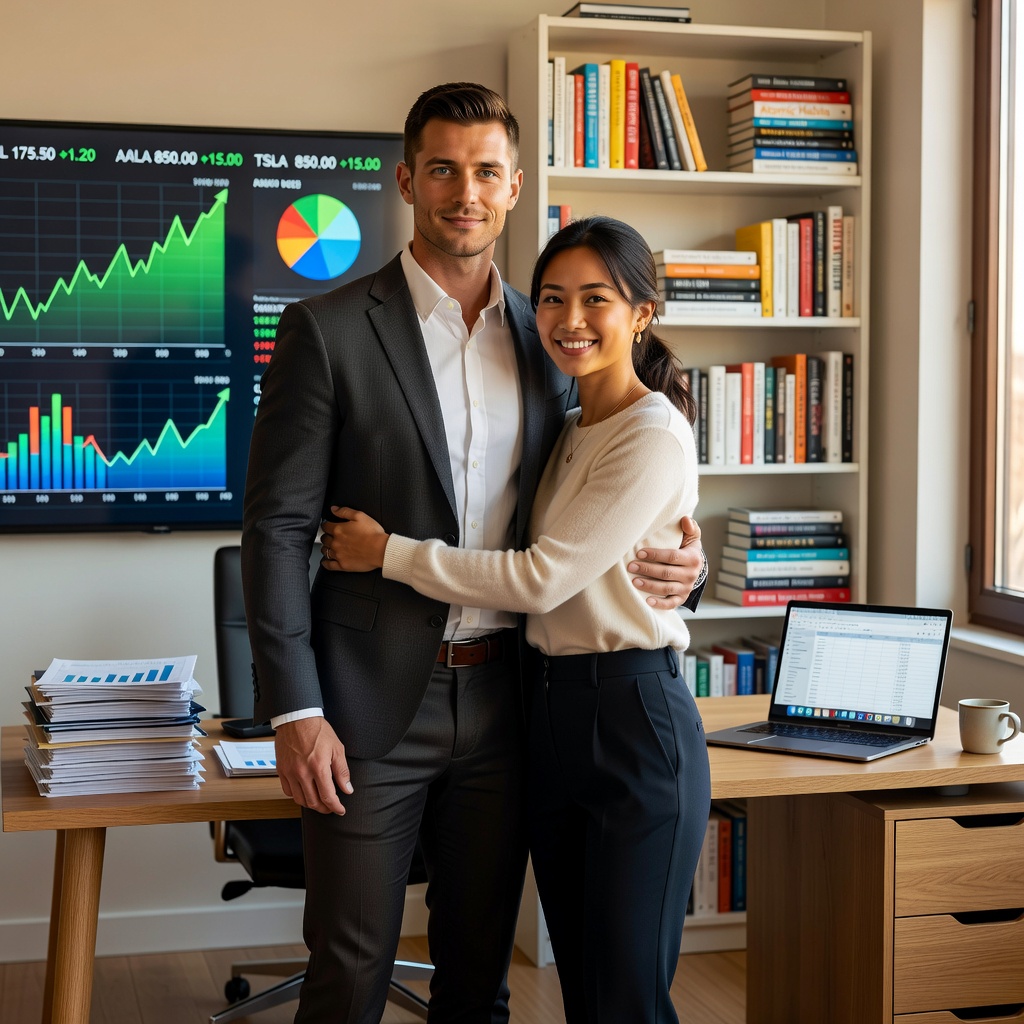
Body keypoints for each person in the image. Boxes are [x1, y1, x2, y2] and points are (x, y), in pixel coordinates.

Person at [241, 82, 705, 1024]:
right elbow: (278, 529)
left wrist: (680, 566)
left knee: (477, 975)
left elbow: (602, 500)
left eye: (487, 172)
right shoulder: (326, 330)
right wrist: (294, 708)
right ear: (407, 180)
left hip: (514, 704)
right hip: (368, 706)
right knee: (352, 967)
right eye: (444, 169)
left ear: (515, 186)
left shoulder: (553, 340)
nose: (466, 192)